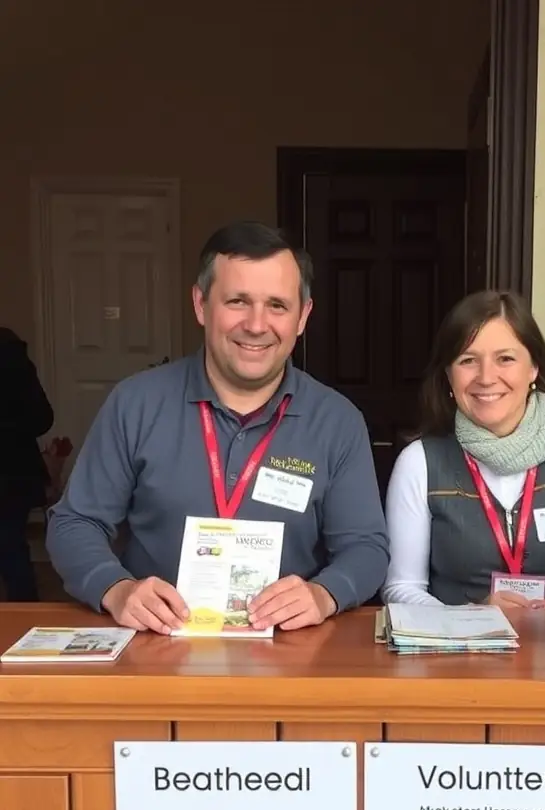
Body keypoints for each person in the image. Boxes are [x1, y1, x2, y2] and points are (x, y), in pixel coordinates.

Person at [46, 221, 388, 633]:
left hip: (288, 653)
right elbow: (74, 523)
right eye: (238, 301)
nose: (257, 324)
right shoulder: (135, 403)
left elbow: (366, 549)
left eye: (277, 305)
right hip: (154, 646)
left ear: (303, 317)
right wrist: (116, 589)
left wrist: (325, 593)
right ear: (201, 304)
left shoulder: (337, 421)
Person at [381, 291, 545, 610]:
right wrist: (471, 615)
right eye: (468, 360)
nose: (486, 378)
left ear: (533, 369)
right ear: (448, 375)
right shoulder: (419, 462)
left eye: (506, 359)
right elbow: (400, 589)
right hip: (457, 654)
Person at [0, 327, 55, 601]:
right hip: (15, 473)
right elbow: (42, 417)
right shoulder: (12, 351)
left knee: (11, 548)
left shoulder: (10, 353)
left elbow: (42, 417)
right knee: (12, 548)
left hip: (11, 473)